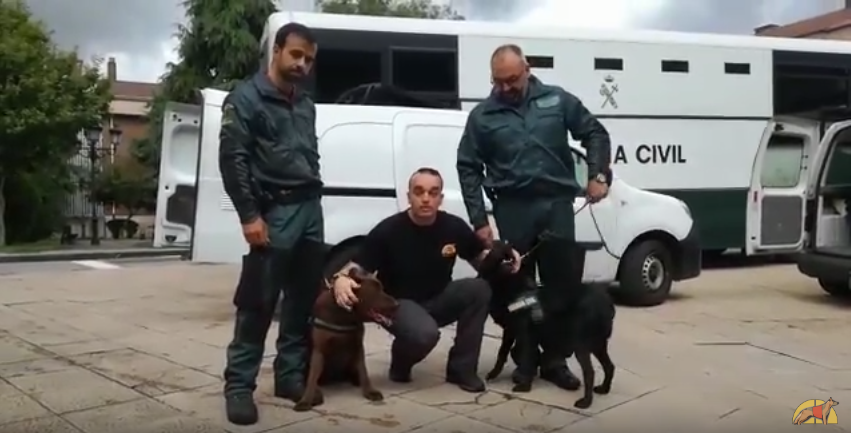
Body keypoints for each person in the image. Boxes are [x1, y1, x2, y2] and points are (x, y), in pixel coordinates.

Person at [456, 44, 612, 390]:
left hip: (557, 207)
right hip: (513, 208)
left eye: (512, 79)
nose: (506, 88)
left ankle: (555, 360)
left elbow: (595, 132)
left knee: (561, 290)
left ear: (526, 69)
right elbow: (467, 166)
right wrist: (479, 219)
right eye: (499, 81)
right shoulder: (482, 116)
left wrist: (598, 175)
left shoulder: (557, 101)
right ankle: (525, 359)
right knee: (518, 292)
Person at [330, 168, 521, 393]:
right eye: (419, 192)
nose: (425, 198)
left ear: (440, 198)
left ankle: (461, 369)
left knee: (479, 289)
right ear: (408, 196)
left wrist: (504, 255)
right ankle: (401, 361)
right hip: (398, 304)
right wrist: (340, 278)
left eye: (433, 192)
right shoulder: (389, 230)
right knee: (425, 334)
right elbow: (358, 267)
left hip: (438, 298)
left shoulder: (453, 226)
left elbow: (482, 260)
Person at [218, 22, 323, 426]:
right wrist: (249, 215)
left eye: (309, 59)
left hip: (310, 209)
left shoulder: (306, 103)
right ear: (276, 51)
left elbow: (307, 157)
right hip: (274, 213)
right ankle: (239, 387)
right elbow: (233, 160)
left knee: (301, 302)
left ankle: (289, 377)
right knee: (258, 303)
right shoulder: (246, 99)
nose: (302, 64)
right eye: (296, 54)